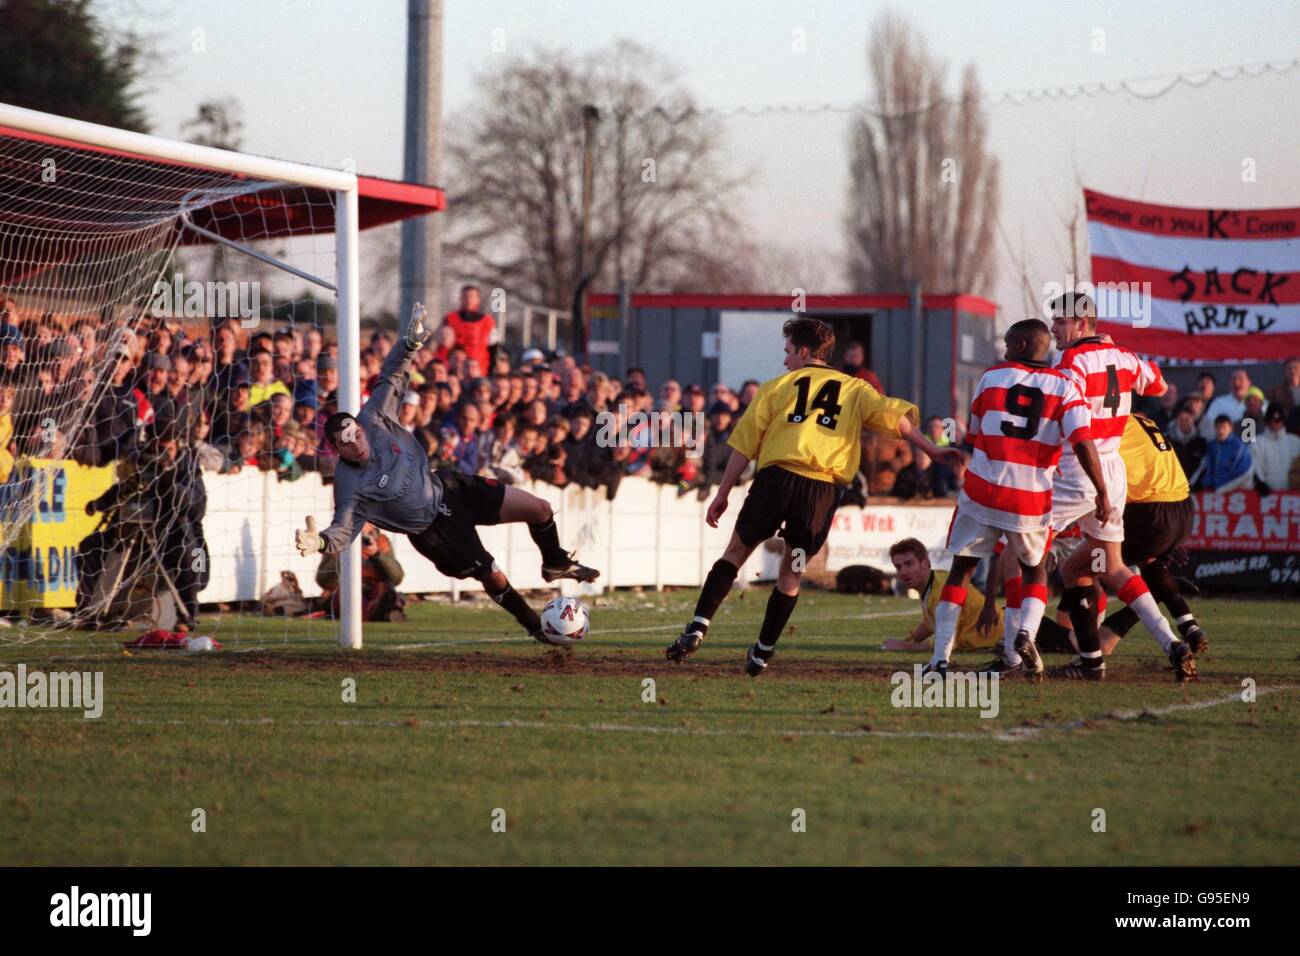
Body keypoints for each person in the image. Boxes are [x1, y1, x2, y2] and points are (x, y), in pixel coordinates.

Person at [663, 317, 961, 675]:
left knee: (736, 552)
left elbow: (743, 447)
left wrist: (722, 493)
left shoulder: (777, 387)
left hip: (776, 479)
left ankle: (697, 628)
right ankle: (761, 653)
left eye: (788, 351)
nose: (785, 359)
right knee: (792, 572)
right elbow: (896, 421)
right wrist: (931, 449)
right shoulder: (855, 388)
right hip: (820, 491)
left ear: (804, 351)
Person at [294, 304, 598, 646]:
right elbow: (342, 529)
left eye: (355, 434)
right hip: (432, 530)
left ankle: (555, 562)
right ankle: (535, 625)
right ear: (336, 449)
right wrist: (319, 541)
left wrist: (407, 344)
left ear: (360, 427)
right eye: (345, 444)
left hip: (449, 486)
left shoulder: (374, 417)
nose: (356, 444)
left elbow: (391, 373)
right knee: (491, 571)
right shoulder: (350, 485)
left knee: (540, 508)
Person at [925, 318, 1107, 679]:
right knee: (1033, 568)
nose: (1004, 351)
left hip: (981, 491)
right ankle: (1025, 633)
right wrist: (1101, 490)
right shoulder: (1067, 385)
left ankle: (939, 660)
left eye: (1008, 345)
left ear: (1021, 346)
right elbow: (1083, 442)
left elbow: (975, 438)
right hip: (1030, 498)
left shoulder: (991, 377)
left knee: (962, 568)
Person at [1047, 293, 1196, 681]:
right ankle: (1169, 641)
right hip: (1114, 470)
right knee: (1101, 566)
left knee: (1020, 542)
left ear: (1081, 325)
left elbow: (1061, 418)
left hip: (1080, 466)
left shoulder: (1071, 362)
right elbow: (1160, 385)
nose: (1053, 328)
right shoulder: (1127, 357)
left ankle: (1015, 649)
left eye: (1060, 321)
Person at [1096, 412, 1208, 654]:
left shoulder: (1104, 423)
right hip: (1183, 509)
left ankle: (1094, 646)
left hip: (1151, 512)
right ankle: (1188, 624)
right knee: (1143, 563)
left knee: (1097, 562)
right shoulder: (1142, 419)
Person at [885, 538, 1001, 654]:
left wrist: (904, 646)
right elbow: (929, 622)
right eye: (898, 567)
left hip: (996, 641)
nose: (903, 572)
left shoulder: (939, 590)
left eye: (909, 564)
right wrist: (908, 640)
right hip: (997, 636)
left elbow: (947, 643)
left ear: (926, 563)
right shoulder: (936, 579)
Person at [316, 522, 406, 622]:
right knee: (344, 595)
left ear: (372, 524)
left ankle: (377, 611)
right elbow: (323, 580)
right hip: (345, 589)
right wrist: (342, 554)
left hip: (373, 589)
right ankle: (376, 614)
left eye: (365, 522)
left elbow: (396, 577)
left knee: (387, 590)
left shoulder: (381, 541)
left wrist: (377, 554)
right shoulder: (335, 541)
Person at [441, 285, 497, 376]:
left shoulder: (488, 321)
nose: (468, 300)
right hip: (455, 370)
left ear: (478, 300)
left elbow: (493, 348)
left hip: (480, 370)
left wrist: (491, 371)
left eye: (472, 296)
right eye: (465, 296)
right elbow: (443, 347)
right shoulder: (450, 319)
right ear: (460, 299)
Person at [1191, 415, 1256, 492]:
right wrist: (1204, 483)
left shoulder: (1239, 447)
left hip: (1234, 490)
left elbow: (1242, 472)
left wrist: (1223, 487)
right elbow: (1207, 466)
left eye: (1224, 428)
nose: (1221, 431)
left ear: (1230, 428)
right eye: (1218, 428)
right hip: (1215, 490)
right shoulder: (1212, 445)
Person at [1251, 404, 1300, 489]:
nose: (1274, 423)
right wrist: (1260, 485)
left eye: (1278, 420)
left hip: (1291, 496)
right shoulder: (1257, 443)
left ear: (1283, 420)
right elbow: (1255, 468)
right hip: (1267, 496)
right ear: (1266, 420)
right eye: (1270, 419)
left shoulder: (1295, 442)